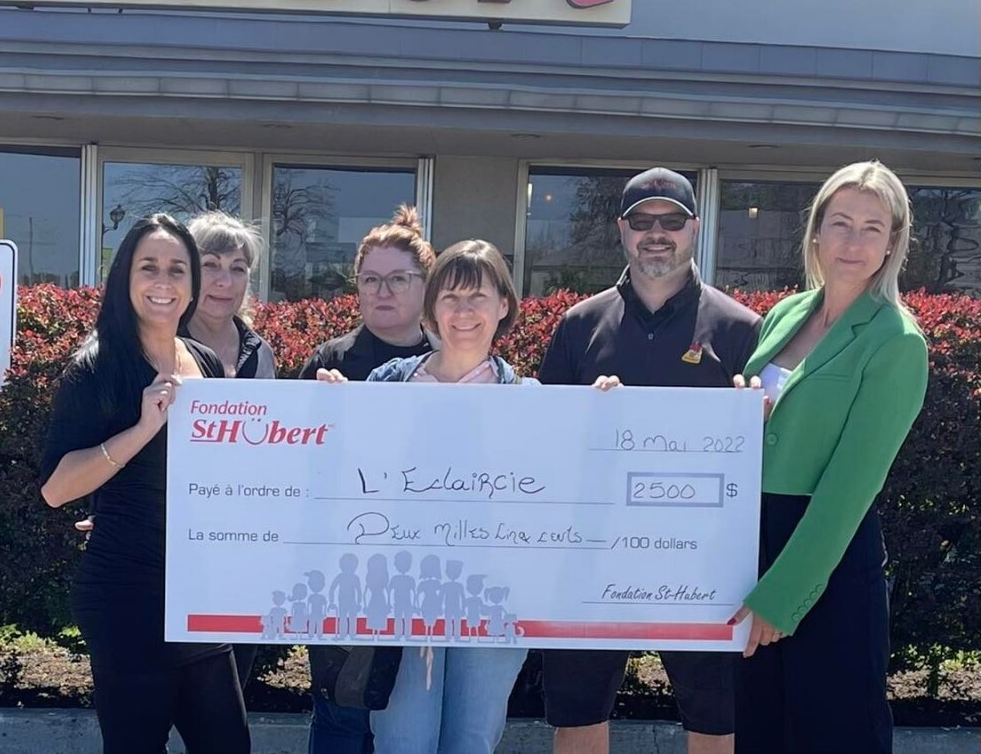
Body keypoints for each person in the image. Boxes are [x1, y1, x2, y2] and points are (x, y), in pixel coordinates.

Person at [537, 168, 761, 754]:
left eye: (671, 222)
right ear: (622, 231)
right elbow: (544, 444)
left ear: (694, 229)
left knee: (716, 722)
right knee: (578, 715)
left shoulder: (740, 328)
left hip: (703, 563)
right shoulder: (580, 325)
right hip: (590, 558)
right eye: (642, 221)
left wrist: (752, 418)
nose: (656, 234)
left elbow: (768, 452)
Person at [730, 161, 928, 754]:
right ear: (816, 230)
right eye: (840, 222)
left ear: (893, 242)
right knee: (762, 731)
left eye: (872, 227)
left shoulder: (897, 341)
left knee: (832, 733)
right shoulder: (785, 313)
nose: (853, 241)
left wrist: (782, 595)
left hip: (827, 563)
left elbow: (850, 487)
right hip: (753, 546)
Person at [39, 213, 250, 754]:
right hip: (127, 595)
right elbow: (56, 489)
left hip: (198, 595)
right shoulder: (96, 367)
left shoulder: (201, 358)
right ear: (125, 279)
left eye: (178, 269)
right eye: (149, 267)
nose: (164, 282)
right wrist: (142, 428)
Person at [317, 238, 531, 754]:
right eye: (450, 297)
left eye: (477, 297)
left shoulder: (531, 402)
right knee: (402, 739)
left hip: (494, 601)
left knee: (472, 740)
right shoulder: (386, 385)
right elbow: (340, 477)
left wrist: (608, 411)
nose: (463, 311)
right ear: (432, 307)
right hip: (401, 595)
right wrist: (325, 412)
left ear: (503, 305)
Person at [301, 205, 436, 754]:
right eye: (371, 280)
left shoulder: (451, 362)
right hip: (342, 575)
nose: (384, 291)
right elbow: (292, 467)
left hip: (430, 572)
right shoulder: (331, 362)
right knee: (341, 716)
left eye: (399, 279)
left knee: (412, 725)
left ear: (425, 285)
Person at [181, 211, 277, 691]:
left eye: (238, 267)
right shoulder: (158, 345)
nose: (225, 280)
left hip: (245, 553)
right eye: (211, 264)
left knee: (228, 698)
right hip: (171, 549)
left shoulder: (261, 353)